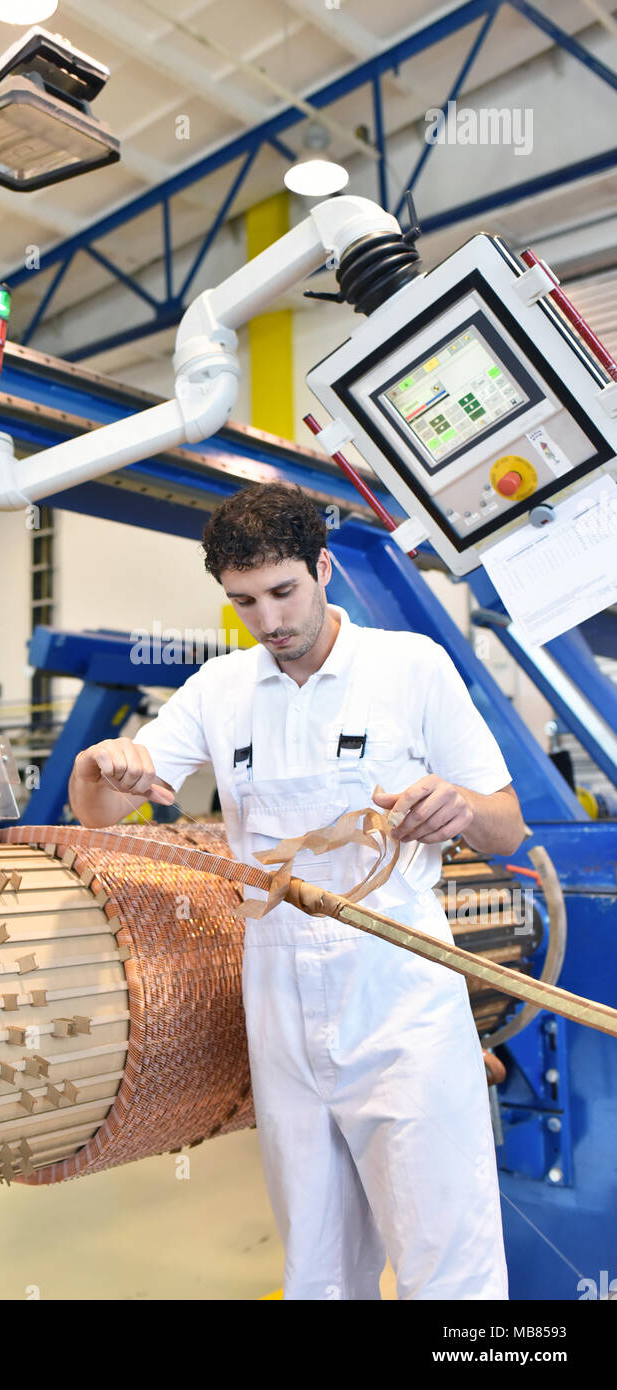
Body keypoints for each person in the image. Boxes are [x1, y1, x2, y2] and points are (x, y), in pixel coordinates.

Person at [68, 482, 527, 1301]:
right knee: (317, 1270)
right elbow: (99, 812)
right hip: (279, 1003)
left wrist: (460, 808)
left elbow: (507, 828)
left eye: (283, 591)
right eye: (244, 602)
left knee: (446, 1267)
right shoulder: (220, 690)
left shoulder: (409, 668)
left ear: (321, 567)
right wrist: (101, 766)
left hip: (398, 995)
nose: (270, 619)